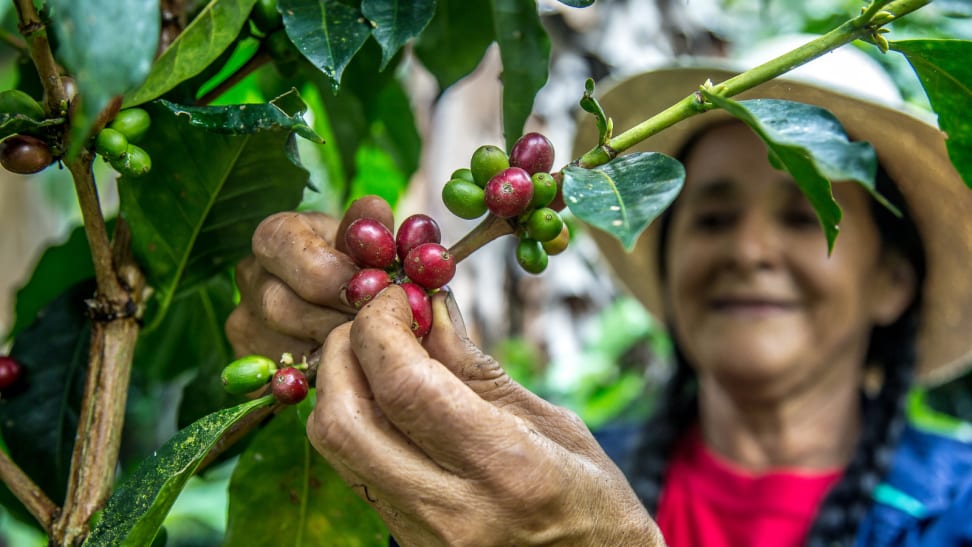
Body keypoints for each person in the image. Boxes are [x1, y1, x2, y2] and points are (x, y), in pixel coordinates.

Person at [225, 40, 972, 546]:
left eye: (806, 217)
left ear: (892, 281)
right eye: (712, 216)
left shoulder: (958, 510)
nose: (749, 250)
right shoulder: (540, 475)